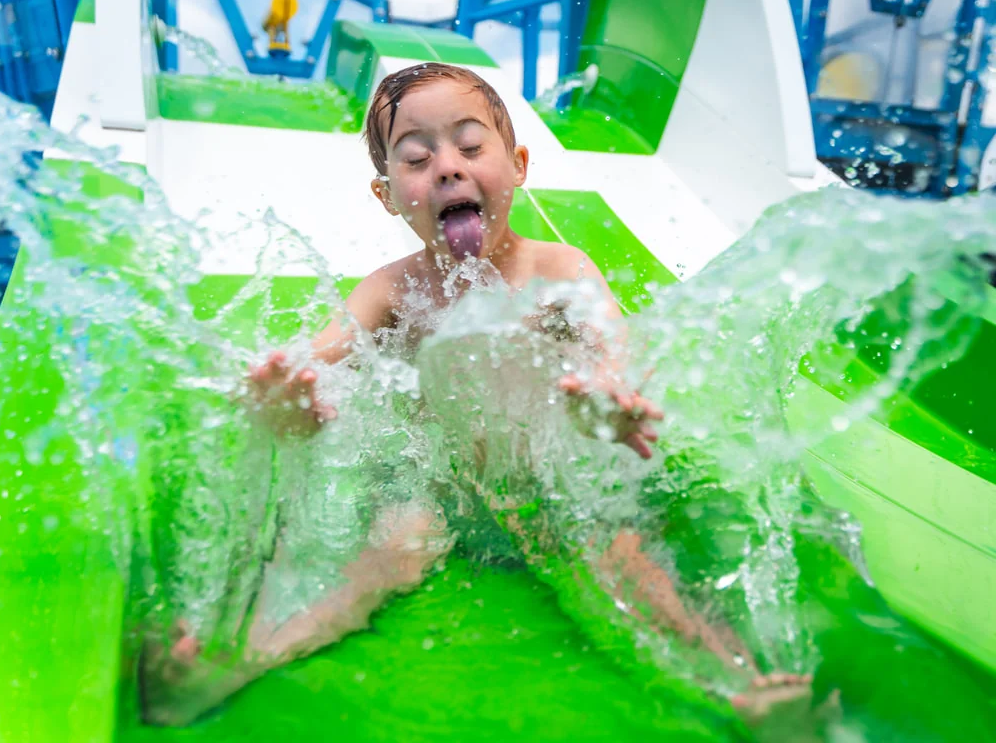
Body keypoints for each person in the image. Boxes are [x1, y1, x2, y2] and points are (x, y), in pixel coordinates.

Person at [141, 62, 810, 726]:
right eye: (416, 158)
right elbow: (317, 361)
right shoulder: (391, 290)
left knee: (616, 554)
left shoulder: (559, 270)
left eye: (469, 146)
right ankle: (239, 659)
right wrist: (286, 399)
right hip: (439, 491)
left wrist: (605, 402)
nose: (447, 169)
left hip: (546, 484)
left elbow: (613, 351)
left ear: (517, 165)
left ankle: (740, 684)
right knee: (389, 551)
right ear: (387, 195)